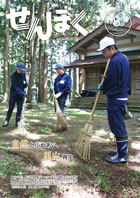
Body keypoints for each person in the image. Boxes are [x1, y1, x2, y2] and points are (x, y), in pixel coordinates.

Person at [97, 37, 130, 163]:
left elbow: (111, 80)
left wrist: (103, 86)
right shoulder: (123, 58)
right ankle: (121, 151)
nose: (104, 55)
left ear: (112, 48)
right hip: (121, 95)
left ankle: (122, 156)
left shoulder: (115, 61)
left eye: (104, 52)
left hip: (116, 97)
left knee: (117, 125)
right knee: (119, 124)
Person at [2, 62, 27, 127]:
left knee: (19, 108)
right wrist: (22, 93)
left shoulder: (23, 75)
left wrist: (26, 84)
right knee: (11, 108)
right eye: (18, 69)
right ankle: (6, 120)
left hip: (20, 96)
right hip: (14, 94)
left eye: (21, 69)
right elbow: (15, 87)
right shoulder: (13, 75)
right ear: (16, 69)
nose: (19, 70)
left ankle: (17, 122)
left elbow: (24, 85)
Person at [54, 63, 71, 132]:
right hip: (56, 96)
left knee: (61, 110)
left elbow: (68, 88)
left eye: (58, 69)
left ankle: (64, 127)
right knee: (57, 110)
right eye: (56, 70)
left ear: (62, 69)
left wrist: (60, 93)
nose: (57, 71)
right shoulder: (57, 78)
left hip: (63, 96)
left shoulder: (67, 77)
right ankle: (59, 125)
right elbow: (55, 86)